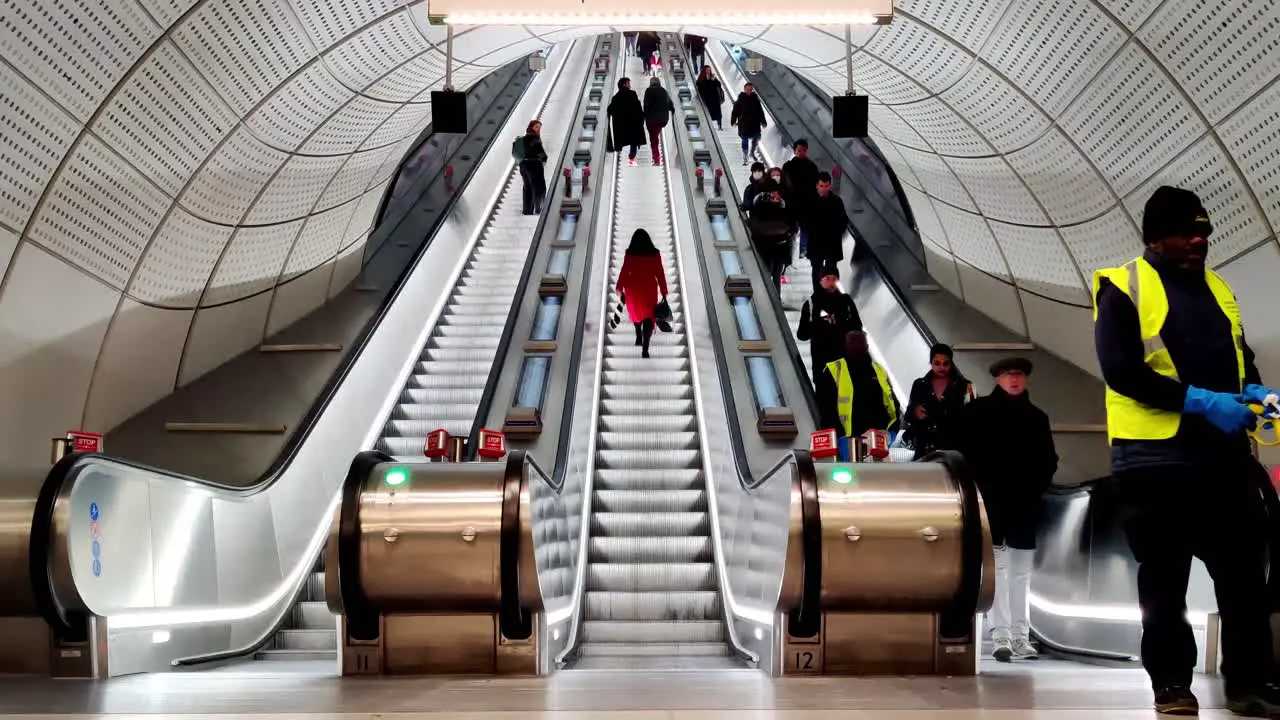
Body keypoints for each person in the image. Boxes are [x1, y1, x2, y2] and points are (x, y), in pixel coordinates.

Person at [1093, 185, 1280, 716]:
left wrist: (1256, 392)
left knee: (1245, 576)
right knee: (1165, 580)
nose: (1198, 242)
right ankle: (1172, 685)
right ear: (1155, 238)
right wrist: (1198, 401)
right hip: (1154, 463)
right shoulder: (1124, 288)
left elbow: (1240, 356)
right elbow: (1122, 371)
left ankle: (1248, 683)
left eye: (1204, 233)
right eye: (1186, 233)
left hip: (1223, 458)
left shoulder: (1218, 288)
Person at [953, 357, 1057, 663]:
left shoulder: (1038, 417)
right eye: (1008, 375)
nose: (1014, 380)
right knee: (997, 569)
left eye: (1019, 375)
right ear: (997, 378)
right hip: (992, 502)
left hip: (1023, 503)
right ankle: (1000, 635)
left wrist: (1035, 486)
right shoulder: (977, 413)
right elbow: (964, 454)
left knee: (1021, 571)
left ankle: (1020, 636)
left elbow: (1049, 460)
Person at [817, 330, 899, 461]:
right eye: (853, 343)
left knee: (880, 477)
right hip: (847, 439)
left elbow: (891, 401)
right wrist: (837, 434)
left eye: (860, 343)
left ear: (866, 346)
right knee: (854, 476)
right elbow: (825, 407)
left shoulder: (878, 370)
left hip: (877, 436)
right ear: (845, 346)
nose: (858, 346)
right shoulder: (834, 370)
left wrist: (891, 430)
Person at [903, 343, 973, 459]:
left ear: (951, 364)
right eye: (937, 363)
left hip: (953, 447)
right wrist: (916, 412)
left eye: (946, 364)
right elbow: (908, 415)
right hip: (924, 446)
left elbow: (972, 419)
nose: (941, 367)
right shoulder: (920, 385)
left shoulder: (964, 386)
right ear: (931, 363)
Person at [796, 264, 862, 379]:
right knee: (825, 391)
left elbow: (857, 325)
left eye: (834, 279)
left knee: (842, 392)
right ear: (820, 281)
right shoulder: (811, 305)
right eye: (827, 279)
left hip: (841, 358)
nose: (831, 283)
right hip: (821, 360)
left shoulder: (846, 301)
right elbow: (802, 335)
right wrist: (818, 327)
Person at [616, 229, 669, 359]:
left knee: (635, 314)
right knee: (648, 318)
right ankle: (645, 348)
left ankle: (638, 335)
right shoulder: (655, 254)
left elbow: (624, 270)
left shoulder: (630, 254)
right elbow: (660, 273)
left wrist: (619, 287)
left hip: (632, 290)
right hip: (648, 290)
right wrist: (664, 291)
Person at [748, 174, 795, 292]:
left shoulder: (782, 204)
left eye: (776, 193)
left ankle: (775, 298)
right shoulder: (761, 203)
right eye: (772, 193)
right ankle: (769, 297)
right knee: (769, 272)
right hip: (767, 246)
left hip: (778, 246)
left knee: (776, 274)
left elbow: (791, 223)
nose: (775, 195)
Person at [805, 172, 850, 289]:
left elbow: (844, 220)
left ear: (829, 186)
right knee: (816, 269)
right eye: (821, 186)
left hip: (832, 242)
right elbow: (805, 220)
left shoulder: (836, 201)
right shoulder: (810, 201)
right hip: (816, 242)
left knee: (831, 271)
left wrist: (837, 232)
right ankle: (818, 292)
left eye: (826, 186)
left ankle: (830, 292)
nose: (823, 189)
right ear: (817, 185)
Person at [783, 140, 820, 257]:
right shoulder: (788, 166)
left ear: (807, 151)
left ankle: (803, 249)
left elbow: (816, 185)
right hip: (792, 203)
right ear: (794, 151)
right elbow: (784, 184)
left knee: (806, 227)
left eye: (804, 150)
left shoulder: (812, 167)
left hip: (807, 203)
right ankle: (790, 249)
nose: (802, 152)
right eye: (799, 150)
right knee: (792, 227)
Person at [607, 78, 646, 167]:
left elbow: (610, 110)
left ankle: (618, 151)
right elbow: (638, 107)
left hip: (622, 126)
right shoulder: (632, 94)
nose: (630, 85)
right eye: (628, 83)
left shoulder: (616, 97)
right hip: (633, 124)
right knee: (634, 141)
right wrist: (641, 119)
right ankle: (631, 158)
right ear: (624, 84)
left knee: (622, 140)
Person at [730, 82, 767, 165]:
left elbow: (760, 112)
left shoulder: (756, 100)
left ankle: (752, 152)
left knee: (757, 137)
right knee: (745, 140)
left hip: (755, 123)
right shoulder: (740, 100)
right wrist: (733, 121)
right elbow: (735, 112)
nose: (749, 91)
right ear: (744, 89)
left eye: (750, 89)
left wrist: (763, 122)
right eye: (747, 89)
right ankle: (745, 155)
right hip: (744, 124)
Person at [642, 76, 675, 165]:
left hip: (652, 119)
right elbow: (670, 104)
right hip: (663, 119)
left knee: (654, 139)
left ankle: (656, 159)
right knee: (656, 135)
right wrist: (670, 111)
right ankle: (656, 158)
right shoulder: (663, 91)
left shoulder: (648, 91)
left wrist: (644, 117)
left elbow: (646, 105)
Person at [518, 120, 548, 215]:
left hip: (523, 165)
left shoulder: (522, 139)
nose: (538, 129)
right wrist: (544, 159)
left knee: (527, 187)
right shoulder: (535, 138)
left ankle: (527, 210)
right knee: (539, 186)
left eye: (539, 127)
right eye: (536, 127)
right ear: (531, 127)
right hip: (534, 165)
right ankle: (539, 208)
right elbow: (540, 151)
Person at [695, 66, 725, 131]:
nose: (708, 72)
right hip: (707, 99)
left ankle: (719, 125)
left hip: (715, 98)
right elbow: (700, 87)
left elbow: (719, 85)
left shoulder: (713, 77)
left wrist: (713, 80)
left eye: (709, 70)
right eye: (707, 70)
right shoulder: (701, 79)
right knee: (708, 113)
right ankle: (708, 125)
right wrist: (707, 80)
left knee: (718, 113)